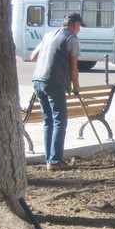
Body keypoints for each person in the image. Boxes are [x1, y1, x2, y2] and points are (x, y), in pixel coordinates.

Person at [30, 12, 83, 171]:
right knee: (60, 120)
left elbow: (33, 56)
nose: (79, 29)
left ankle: (49, 158)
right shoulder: (71, 39)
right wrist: (76, 86)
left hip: (38, 81)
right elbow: (74, 68)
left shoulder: (49, 35)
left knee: (49, 121)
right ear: (74, 25)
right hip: (54, 82)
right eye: (79, 26)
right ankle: (55, 160)